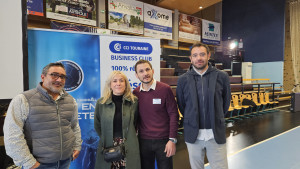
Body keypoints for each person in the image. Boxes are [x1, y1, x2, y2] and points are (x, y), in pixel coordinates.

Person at [3, 62, 82, 169]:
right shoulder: (23, 99)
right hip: (38, 164)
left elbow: (74, 126)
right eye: (54, 75)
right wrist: (28, 162)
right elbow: (12, 134)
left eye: (62, 76)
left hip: (65, 162)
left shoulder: (70, 100)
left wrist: (77, 146)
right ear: (43, 77)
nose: (59, 79)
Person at [176, 43, 231, 169]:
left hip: (215, 134)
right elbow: (182, 105)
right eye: (195, 55)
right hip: (193, 135)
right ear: (190, 58)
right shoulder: (183, 80)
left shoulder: (222, 76)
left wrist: (216, 117)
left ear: (208, 55)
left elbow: (225, 103)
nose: (199, 58)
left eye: (202, 54)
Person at [133, 60, 179, 169]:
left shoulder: (165, 89)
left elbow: (174, 115)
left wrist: (172, 139)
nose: (145, 73)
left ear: (152, 71)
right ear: (136, 75)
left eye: (147, 69)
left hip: (164, 141)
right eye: (141, 71)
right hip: (143, 142)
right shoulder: (135, 94)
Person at [94, 71, 141, 169]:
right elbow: (97, 125)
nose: (118, 83)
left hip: (128, 146)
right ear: (110, 85)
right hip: (108, 146)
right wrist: (108, 137)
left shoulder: (134, 102)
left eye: (121, 81)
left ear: (126, 84)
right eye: (114, 81)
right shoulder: (101, 103)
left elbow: (135, 123)